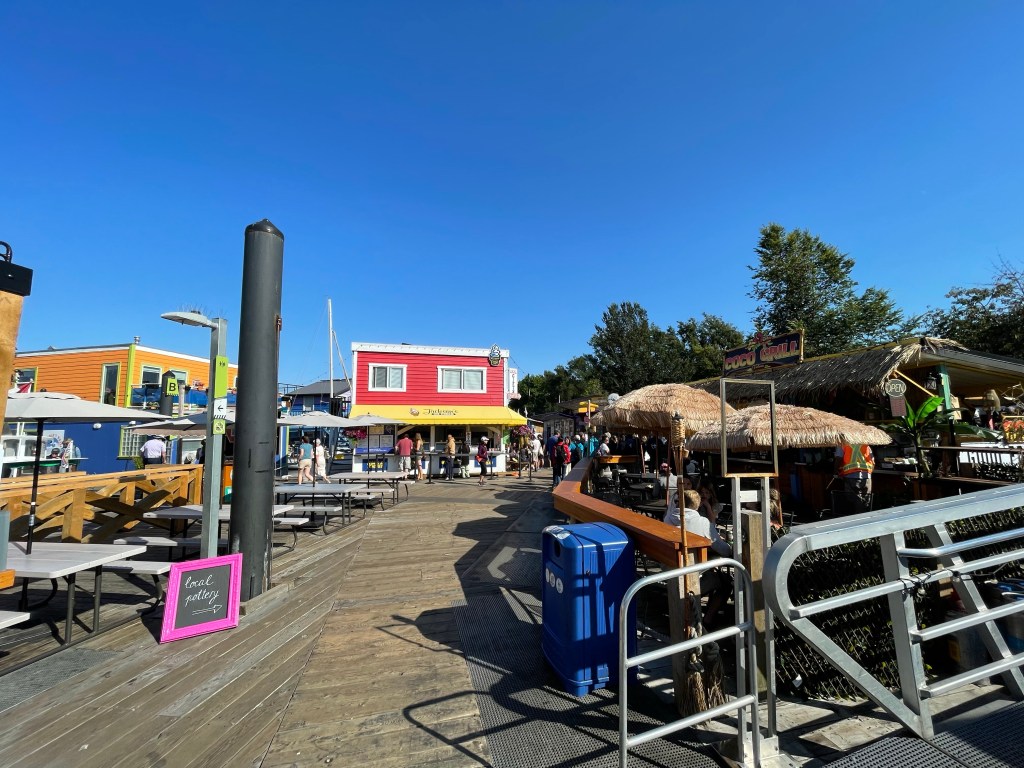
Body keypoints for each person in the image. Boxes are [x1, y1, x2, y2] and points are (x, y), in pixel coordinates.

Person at [835, 442, 875, 513]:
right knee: (865, 500)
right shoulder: (865, 445)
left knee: (853, 500)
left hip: (851, 475)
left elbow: (838, 459)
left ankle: (856, 517)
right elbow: (872, 461)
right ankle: (864, 516)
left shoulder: (842, 444)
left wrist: (836, 471)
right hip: (867, 476)